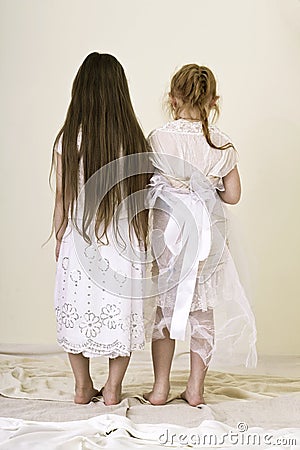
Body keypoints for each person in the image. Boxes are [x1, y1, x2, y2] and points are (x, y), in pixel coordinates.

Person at [144, 64, 257, 407]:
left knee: (166, 305)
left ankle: (160, 388)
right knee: (202, 308)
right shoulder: (221, 142)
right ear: (213, 101)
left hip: (169, 232)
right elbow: (233, 195)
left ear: (173, 98)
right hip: (207, 231)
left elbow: (141, 180)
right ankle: (195, 389)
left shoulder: (158, 136)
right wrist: (208, 186)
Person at [50, 52, 151, 406]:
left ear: (81, 91)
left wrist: (60, 237)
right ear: (120, 92)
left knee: (76, 311)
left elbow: (62, 198)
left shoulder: (67, 139)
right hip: (123, 244)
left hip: (80, 242)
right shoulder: (134, 139)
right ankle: (112, 388)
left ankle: (82, 387)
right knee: (121, 317)